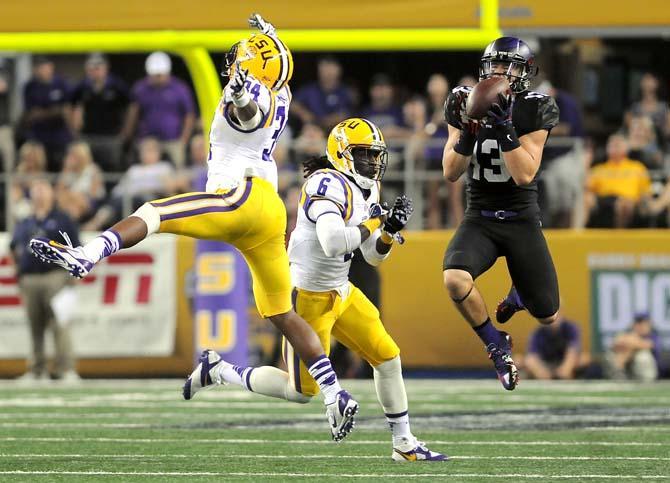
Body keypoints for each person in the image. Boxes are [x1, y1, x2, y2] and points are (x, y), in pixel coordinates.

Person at [29, 14, 359, 442]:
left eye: (241, 61)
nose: (233, 66)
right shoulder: (283, 88)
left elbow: (249, 112)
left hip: (238, 199)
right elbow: (277, 69)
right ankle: (334, 393)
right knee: (281, 311)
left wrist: (240, 93)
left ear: (252, 70)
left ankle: (87, 253)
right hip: (269, 212)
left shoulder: (252, 90)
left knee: (153, 212)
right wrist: (270, 37)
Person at [185, 118, 446, 461]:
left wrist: (387, 232)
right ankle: (219, 370)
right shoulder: (325, 183)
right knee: (300, 392)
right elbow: (334, 241)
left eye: (374, 156)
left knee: (387, 357)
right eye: (364, 155)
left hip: (340, 290)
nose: (372, 163)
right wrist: (374, 223)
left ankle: (404, 443)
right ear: (342, 154)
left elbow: (372, 257)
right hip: (305, 297)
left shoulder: (367, 188)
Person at [441, 37, 560, 391]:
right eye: (495, 64)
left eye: (510, 66)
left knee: (548, 315)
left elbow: (524, 174)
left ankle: (517, 296)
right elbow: (450, 171)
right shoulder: (463, 100)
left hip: (521, 217)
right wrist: (466, 134)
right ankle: (496, 344)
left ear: (524, 74)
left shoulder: (536, 107)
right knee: (454, 279)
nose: (500, 72)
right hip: (481, 216)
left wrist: (507, 128)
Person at [11, 178, 79, 382]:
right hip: (30, 278)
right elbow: (14, 248)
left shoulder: (62, 219)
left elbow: (76, 249)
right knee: (35, 326)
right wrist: (19, 274)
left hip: (55, 276)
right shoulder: (26, 221)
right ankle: (36, 370)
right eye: (35, 189)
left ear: (51, 193)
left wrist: (70, 277)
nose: (39, 193)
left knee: (61, 324)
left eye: (43, 188)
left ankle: (66, 369)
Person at [121, 51, 195, 168]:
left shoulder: (180, 89)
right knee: (146, 171)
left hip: (173, 140)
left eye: (160, 75)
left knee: (177, 168)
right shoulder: (140, 89)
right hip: (147, 139)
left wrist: (183, 140)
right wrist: (128, 136)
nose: (157, 78)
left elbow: (189, 115)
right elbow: (133, 113)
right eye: (154, 75)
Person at [70, 53, 129, 171]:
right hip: (88, 135)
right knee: (87, 168)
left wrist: (125, 132)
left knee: (112, 167)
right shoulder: (82, 86)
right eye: (91, 68)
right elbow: (71, 106)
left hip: (111, 136)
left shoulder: (117, 85)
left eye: (97, 68)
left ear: (106, 68)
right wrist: (74, 129)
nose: (94, 72)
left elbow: (130, 107)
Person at [584, 133, 651, 228]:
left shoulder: (637, 167)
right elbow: (586, 188)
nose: (614, 147)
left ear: (626, 148)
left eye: (618, 144)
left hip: (628, 200)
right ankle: (580, 234)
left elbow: (645, 192)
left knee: (624, 204)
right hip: (604, 200)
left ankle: (620, 236)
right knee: (585, 198)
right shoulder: (599, 169)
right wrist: (585, 166)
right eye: (611, 144)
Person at [21, 56, 72, 171]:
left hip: (59, 135)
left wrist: (43, 113)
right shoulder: (30, 86)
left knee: (60, 166)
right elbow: (31, 114)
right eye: (39, 68)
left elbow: (66, 109)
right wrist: (54, 111)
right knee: (38, 166)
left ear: (51, 67)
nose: (42, 70)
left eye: (45, 67)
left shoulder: (61, 83)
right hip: (39, 134)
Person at [292, 56, 352, 131]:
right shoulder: (310, 89)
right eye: (324, 68)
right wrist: (304, 113)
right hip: (313, 130)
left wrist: (327, 122)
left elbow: (347, 114)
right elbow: (293, 104)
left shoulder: (345, 92)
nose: (327, 72)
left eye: (330, 68)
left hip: (338, 132)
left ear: (338, 70)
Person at [55, 141, 106, 223]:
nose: (74, 159)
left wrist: (71, 195)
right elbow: (58, 192)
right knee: (69, 206)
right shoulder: (68, 171)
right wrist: (65, 169)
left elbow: (93, 195)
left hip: (89, 202)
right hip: (72, 203)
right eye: (72, 155)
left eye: (76, 156)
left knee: (74, 206)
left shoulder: (93, 170)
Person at [523, 313, 581, 380]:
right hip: (545, 366)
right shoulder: (538, 332)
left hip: (564, 366)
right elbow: (531, 357)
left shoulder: (570, 328)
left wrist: (565, 370)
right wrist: (542, 372)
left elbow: (573, 351)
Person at [604, 313, 660, 382]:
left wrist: (631, 343)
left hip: (648, 373)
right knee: (611, 354)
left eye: (643, 323)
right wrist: (630, 343)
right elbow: (615, 343)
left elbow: (647, 345)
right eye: (638, 323)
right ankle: (618, 377)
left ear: (649, 324)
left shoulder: (653, 335)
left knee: (643, 355)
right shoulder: (629, 333)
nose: (641, 326)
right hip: (629, 369)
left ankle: (646, 382)